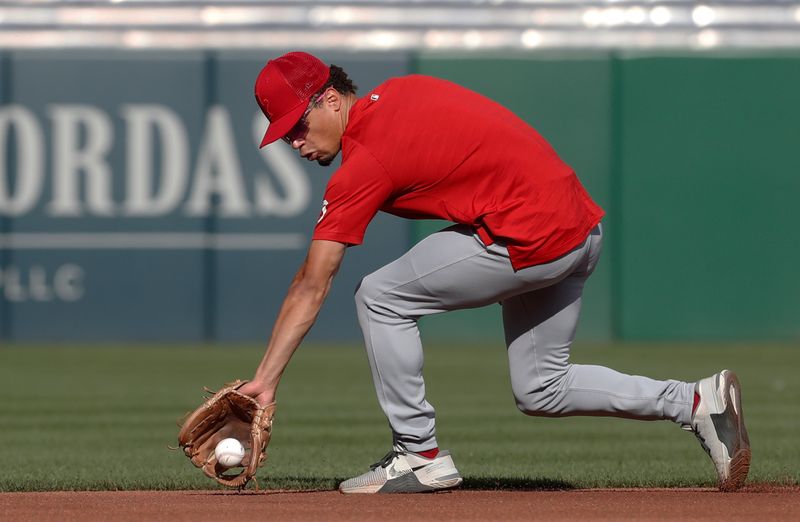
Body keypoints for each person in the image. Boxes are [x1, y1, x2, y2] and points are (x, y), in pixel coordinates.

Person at [238, 51, 750, 494]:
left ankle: (419, 454)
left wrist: (266, 380)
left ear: (329, 98)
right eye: (284, 136)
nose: (296, 143)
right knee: (541, 388)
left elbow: (313, 280)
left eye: (297, 126)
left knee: (379, 297)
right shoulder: (401, 92)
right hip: (577, 228)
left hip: (531, 235)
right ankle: (698, 401)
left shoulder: (366, 158)